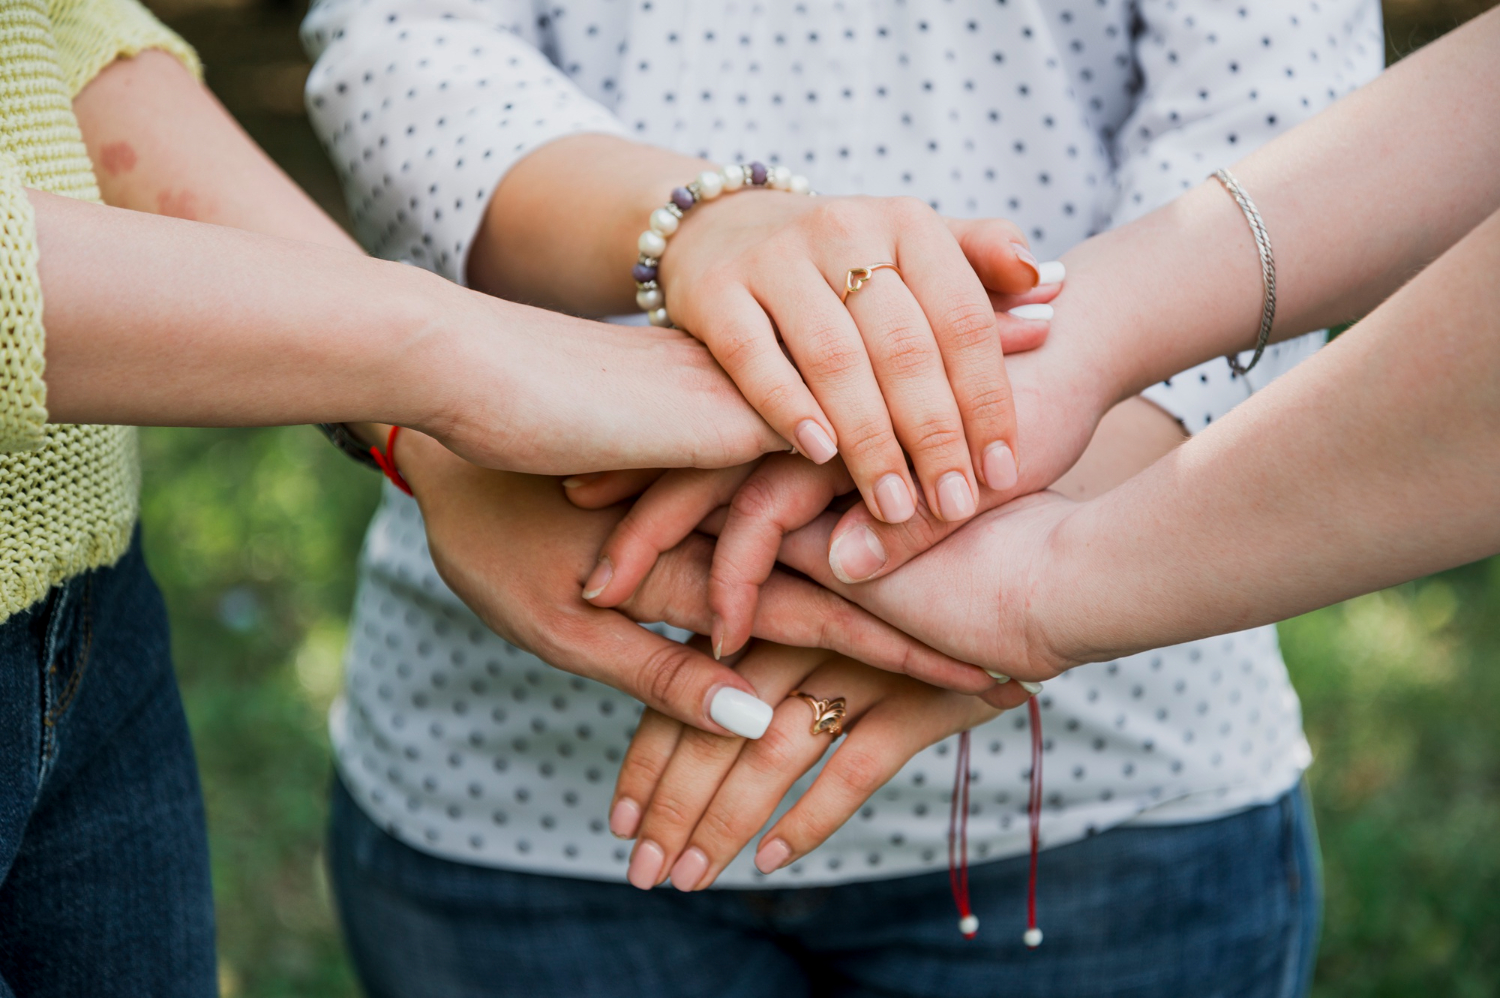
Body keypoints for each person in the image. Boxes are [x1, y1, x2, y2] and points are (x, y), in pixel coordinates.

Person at [298, 1, 1381, 995]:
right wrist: (700, 226)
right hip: (525, 789)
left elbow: (1282, 128)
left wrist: (982, 523)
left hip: (1105, 790)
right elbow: (405, 40)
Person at [0, 2, 965, 991]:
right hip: (504, 805)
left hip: (84, 615)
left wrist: (422, 418)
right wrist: (444, 362)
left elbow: (48, 35)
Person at [597, 0, 1500, 926]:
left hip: (1122, 786)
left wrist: (1048, 561)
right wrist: (1057, 369)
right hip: (522, 767)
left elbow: (1271, 91)